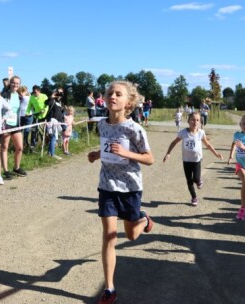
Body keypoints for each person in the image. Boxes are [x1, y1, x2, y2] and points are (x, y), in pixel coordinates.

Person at [87, 80, 154, 304]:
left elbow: (149, 159)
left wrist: (127, 153)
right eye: (110, 93)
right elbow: (108, 148)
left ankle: (144, 219)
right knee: (109, 236)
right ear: (105, 99)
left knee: (132, 235)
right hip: (107, 186)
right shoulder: (102, 124)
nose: (113, 96)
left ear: (129, 102)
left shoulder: (134, 128)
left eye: (118, 94)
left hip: (130, 188)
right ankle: (109, 289)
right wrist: (97, 154)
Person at [163, 112, 223, 206]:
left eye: (197, 120)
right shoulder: (183, 133)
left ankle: (199, 181)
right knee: (189, 180)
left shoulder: (201, 133)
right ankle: (194, 197)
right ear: (188, 121)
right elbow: (174, 142)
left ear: (200, 122)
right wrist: (168, 153)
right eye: (193, 120)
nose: (195, 122)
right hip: (186, 160)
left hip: (196, 160)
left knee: (195, 178)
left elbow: (207, 144)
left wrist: (216, 153)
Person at [1, 75, 27, 179]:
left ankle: (16, 168)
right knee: (4, 147)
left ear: (19, 85)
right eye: (13, 82)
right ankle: (6, 171)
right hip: (6, 123)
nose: (15, 85)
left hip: (16, 124)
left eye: (17, 83)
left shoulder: (20, 96)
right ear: (9, 83)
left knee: (20, 147)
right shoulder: (4, 95)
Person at [44, 89, 65, 159]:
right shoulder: (52, 100)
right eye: (58, 92)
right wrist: (51, 97)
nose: (59, 94)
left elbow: (60, 114)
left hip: (57, 122)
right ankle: (52, 154)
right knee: (53, 137)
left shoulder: (60, 103)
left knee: (53, 138)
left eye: (61, 93)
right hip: (51, 121)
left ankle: (49, 153)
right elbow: (46, 103)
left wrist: (62, 124)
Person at [27, 85, 48, 151]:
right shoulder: (32, 97)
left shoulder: (44, 96)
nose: (34, 94)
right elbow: (29, 106)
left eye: (35, 92)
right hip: (36, 115)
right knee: (34, 130)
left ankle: (46, 143)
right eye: (33, 92)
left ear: (39, 91)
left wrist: (44, 111)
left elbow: (47, 105)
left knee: (45, 131)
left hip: (44, 116)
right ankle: (33, 145)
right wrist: (27, 113)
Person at [19, 85, 33, 151]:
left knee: (26, 131)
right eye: (20, 92)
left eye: (22, 91)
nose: (21, 93)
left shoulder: (27, 97)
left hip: (28, 116)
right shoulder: (21, 98)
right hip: (21, 116)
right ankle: (21, 144)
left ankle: (25, 144)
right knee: (20, 131)